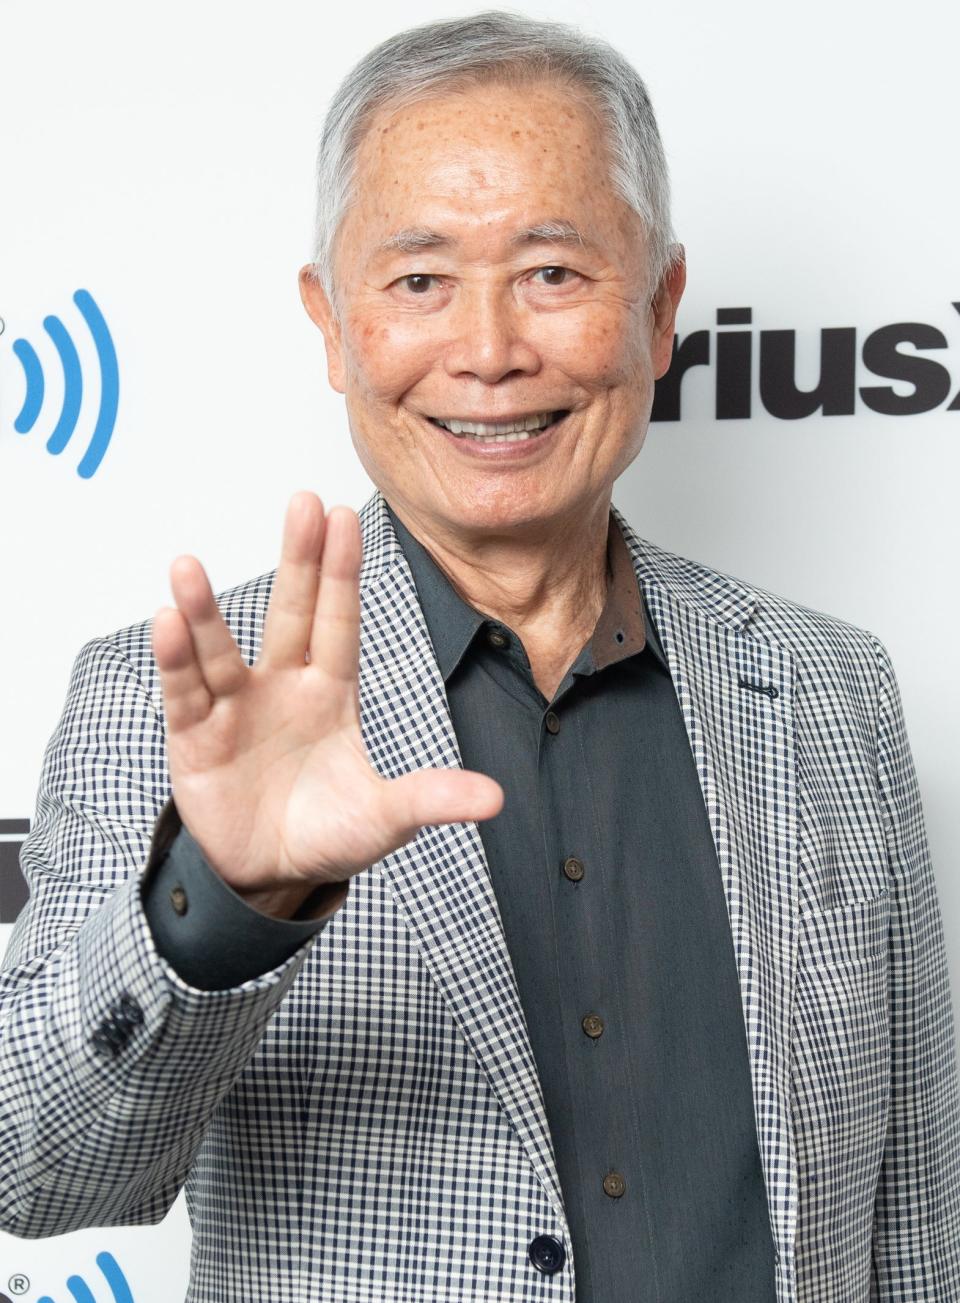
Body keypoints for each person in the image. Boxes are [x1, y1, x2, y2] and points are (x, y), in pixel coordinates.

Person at [2, 11, 958, 1301]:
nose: (493, 350)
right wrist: (221, 902)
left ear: (661, 307)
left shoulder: (832, 690)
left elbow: (913, 1225)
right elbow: (41, 1172)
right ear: (332, 324)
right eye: (418, 281)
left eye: (554, 273)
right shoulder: (170, 698)